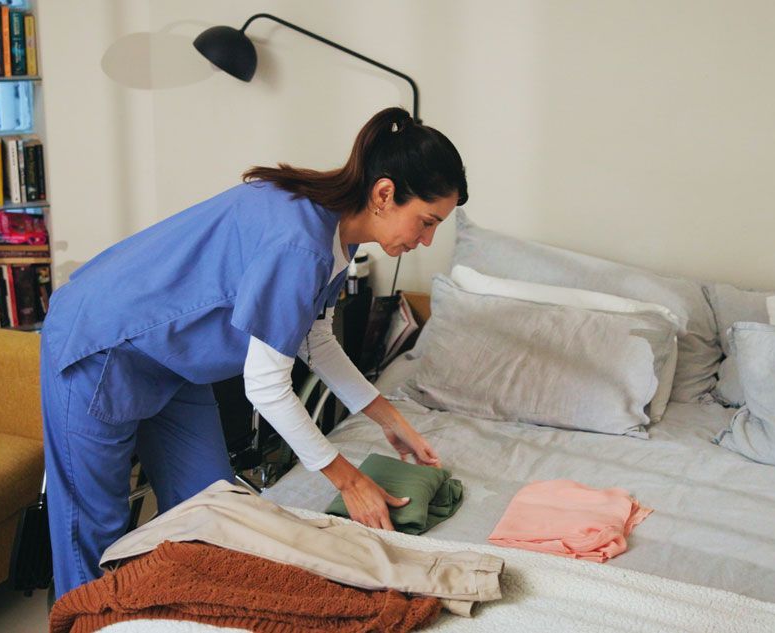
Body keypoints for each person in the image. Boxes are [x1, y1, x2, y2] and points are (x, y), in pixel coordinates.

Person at [39, 106, 468, 599]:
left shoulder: (336, 238)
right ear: (385, 193)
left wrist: (389, 418)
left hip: (176, 363)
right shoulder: (300, 243)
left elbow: (313, 337)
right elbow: (265, 386)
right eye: (427, 221)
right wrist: (346, 480)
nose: (428, 239)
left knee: (212, 513)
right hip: (104, 344)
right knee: (93, 535)